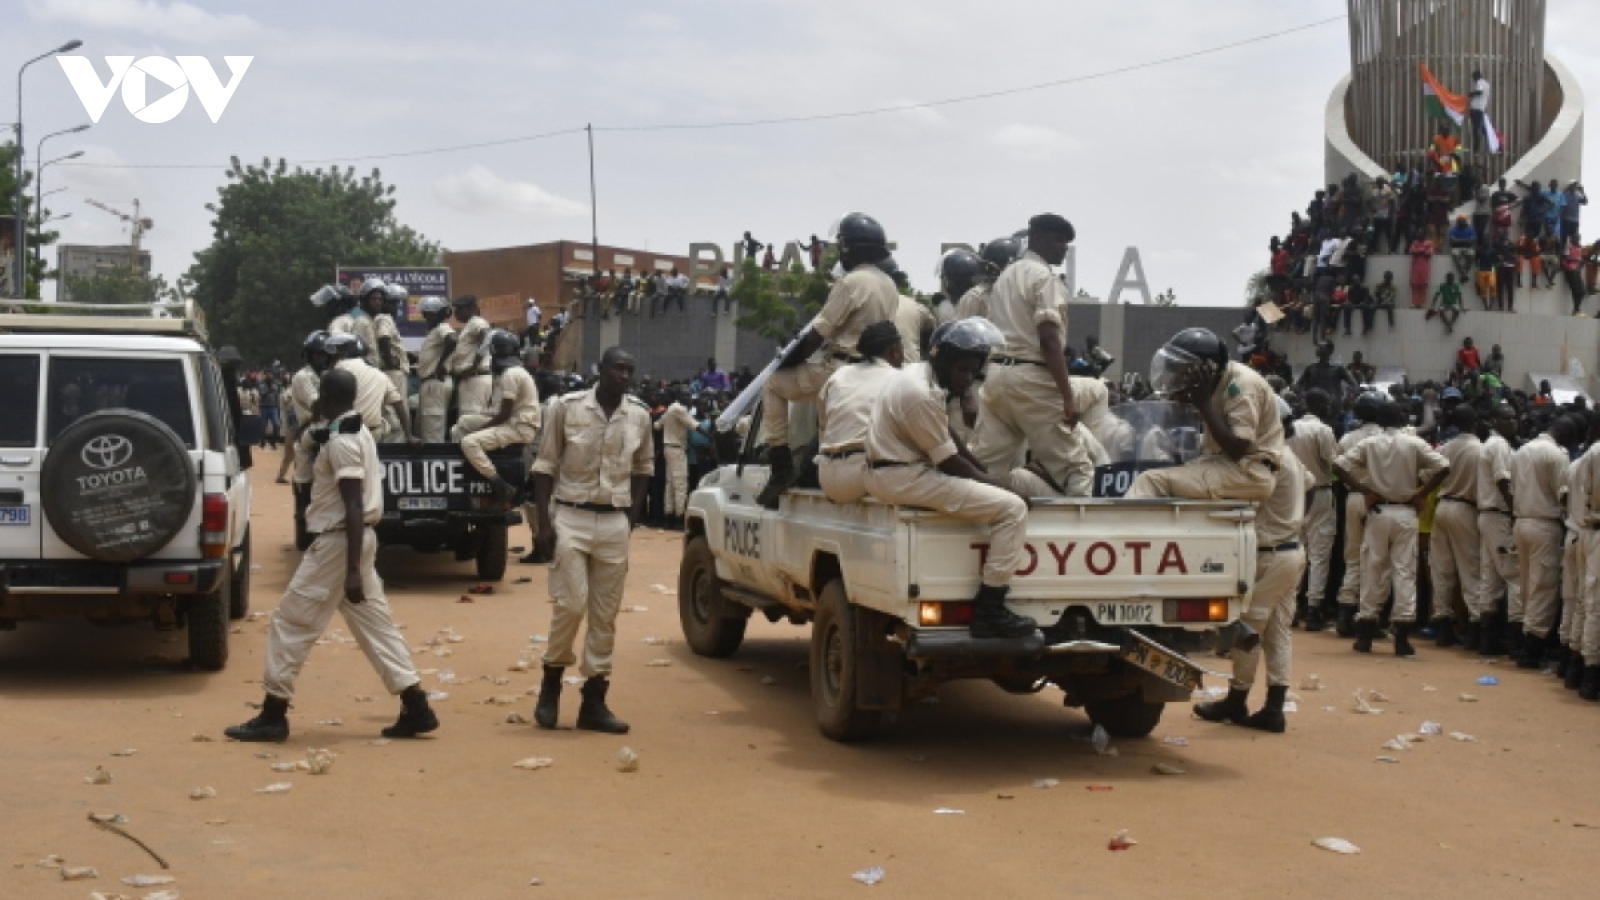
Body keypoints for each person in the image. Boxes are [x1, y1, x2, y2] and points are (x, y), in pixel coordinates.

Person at [223, 368, 438, 742]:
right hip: (355, 542)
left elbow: (352, 505)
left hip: (340, 545)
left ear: (326, 398)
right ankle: (415, 703)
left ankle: (274, 713)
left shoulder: (342, 443)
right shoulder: (357, 433)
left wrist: (352, 570)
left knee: (290, 623)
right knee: (376, 626)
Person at [863, 319, 1036, 639]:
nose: (968, 378)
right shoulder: (921, 394)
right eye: (963, 370)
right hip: (902, 475)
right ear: (944, 362)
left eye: (973, 371)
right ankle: (990, 610)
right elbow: (950, 463)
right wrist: (1002, 486)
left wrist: (985, 475)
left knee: (998, 495)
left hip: (897, 471)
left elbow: (948, 440)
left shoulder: (920, 376)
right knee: (1012, 510)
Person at [529, 347, 653, 734]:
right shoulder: (566, 408)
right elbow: (545, 465)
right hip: (570, 517)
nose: (624, 375)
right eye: (618, 368)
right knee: (570, 604)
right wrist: (544, 525)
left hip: (614, 521)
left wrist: (630, 518)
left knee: (606, 614)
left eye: (629, 369)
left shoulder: (640, 415)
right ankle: (550, 685)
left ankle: (594, 700)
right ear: (600, 370)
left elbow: (643, 469)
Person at [756, 213, 899, 509]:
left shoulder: (851, 282)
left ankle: (780, 466)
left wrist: (786, 361)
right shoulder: (888, 284)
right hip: (875, 369)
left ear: (850, 248)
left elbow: (817, 335)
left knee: (773, 385)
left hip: (840, 367)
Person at [969, 214, 1095, 497]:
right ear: (1037, 238)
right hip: (1031, 377)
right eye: (1058, 240)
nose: (1064, 247)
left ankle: (963, 536)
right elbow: (1049, 340)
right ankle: (1077, 535)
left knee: (984, 467)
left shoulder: (1005, 276)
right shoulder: (1044, 278)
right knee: (1077, 468)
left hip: (997, 376)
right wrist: (1067, 396)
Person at [1193, 442, 1307, 733]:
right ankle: (1273, 707)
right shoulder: (1291, 456)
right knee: (1279, 630)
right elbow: (1311, 485)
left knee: (1249, 626)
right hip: (1292, 549)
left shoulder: (1266, 459)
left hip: (1269, 553)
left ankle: (1237, 699)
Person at [1334, 399, 1450, 657]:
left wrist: (1363, 489)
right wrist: (1421, 494)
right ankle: (1402, 636)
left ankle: (1365, 632)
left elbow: (1339, 466)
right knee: (1404, 571)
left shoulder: (1369, 443)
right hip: (1406, 512)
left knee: (1372, 567)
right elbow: (1443, 467)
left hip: (1376, 511)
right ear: (1401, 419)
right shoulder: (1413, 443)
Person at [1126, 328, 1283, 503]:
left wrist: (1203, 405)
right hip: (1226, 466)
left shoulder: (1241, 385)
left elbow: (1238, 448)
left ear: (1206, 369)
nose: (1178, 375)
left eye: (1183, 370)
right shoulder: (1217, 382)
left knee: (1150, 481)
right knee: (1170, 471)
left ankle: (1121, 529)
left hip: (1249, 472)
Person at [1509, 416, 1579, 669]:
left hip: (1521, 521)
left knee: (1527, 584)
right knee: (1544, 587)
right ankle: (1531, 651)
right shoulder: (1556, 456)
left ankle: (1524, 642)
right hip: (1544, 525)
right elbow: (1564, 495)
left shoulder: (1522, 450)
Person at [816, 322, 904, 504]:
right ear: (895, 350)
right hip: (861, 475)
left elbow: (823, 425)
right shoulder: (899, 379)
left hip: (826, 476)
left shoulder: (838, 375)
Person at [451, 329, 541, 502]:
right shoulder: (517, 372)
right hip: (516, 423)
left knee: (469, 442)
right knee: (464, 422)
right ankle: (468, 466)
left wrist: (482, 429)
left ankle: (499, 483)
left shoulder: (510, 375)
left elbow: (504, 414)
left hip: (518, 428)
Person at [1430, 405, 1485, 648]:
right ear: (1475, 422)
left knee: (1442, 569)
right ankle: (1474, 626)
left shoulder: (1447, 447)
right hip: (1466, 508)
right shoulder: (1480, 450)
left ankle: (1442, 623)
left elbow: (1428, 472)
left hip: (1442, 507)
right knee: (1470, 569)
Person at [1333, 392, 1387, 634]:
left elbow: (1337, 469)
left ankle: (1345, 611)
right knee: (1377, 560)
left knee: (1353, 556)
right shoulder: (1388, 438)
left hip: (1354, 498)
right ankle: (1370, 616)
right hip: (1379, 501)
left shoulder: (1347, 437)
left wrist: (1357, 487)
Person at [1288, 389, 1338, 630]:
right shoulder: (1323, 430)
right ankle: (1313, 608)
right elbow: (1332, 462)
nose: (1329, 407)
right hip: (1319, 492)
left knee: (1295, 550)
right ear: (1318, 404)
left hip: (1293, 494)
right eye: (1326, 403)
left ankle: (1292, 606)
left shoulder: (1290, 428)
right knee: (1319, 554)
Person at [1477, 403, 1520, 656]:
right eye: (1506, 418)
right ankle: (1515, 642)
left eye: (1514, 417)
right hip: (1499, 515)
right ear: (1494, 421)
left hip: (1489, 516)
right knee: (1513, 575)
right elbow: (1503, 479)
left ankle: (1487, 641)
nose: (1512, 421)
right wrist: (1515, 511)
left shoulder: (1493, 445)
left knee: (1490, 577)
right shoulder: (1499, 445)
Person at [324, 333, 417, 444]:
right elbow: (398, 404)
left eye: (337, 351)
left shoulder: (339, 368)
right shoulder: (380, 375)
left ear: (344, 352)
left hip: (344, 434)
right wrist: (409, 435)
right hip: (372, 435)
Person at [278, 330, 330, 485]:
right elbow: (316, 405)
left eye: (324, 354)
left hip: (328, 429)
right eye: (317, 354)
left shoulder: (326, 374)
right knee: (306, 482)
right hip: (309, 429)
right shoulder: (303, 376)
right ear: (309, 355)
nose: (321, 358)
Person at [654, 389, 698, 529]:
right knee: (680, 484)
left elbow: (657, 426)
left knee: (670, 484)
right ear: (679, 396)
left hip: (668, 448)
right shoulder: (679, 409)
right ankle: (679, 517)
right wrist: (710, 435)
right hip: (677, 448)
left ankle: (669, 516)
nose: (689, 398)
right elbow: (695, 425)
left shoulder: (670, 409)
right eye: (686, 395)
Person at [414, 297, 456, 443]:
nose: (426, 318)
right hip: (431, 383)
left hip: (435, 382)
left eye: (429, 314)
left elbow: (452, 339)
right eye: (425, 314)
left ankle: (436, 463)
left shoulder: (442, 327)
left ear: (439, 314)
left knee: (433, 433)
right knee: (425, 429)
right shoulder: (433, 332)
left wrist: (440, 365)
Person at [448, 295, 494, 417]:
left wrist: (474, 365)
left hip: (475, 378)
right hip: (470, 379)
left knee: (471, 421)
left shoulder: (477, 322)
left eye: (459, 309)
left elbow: (487, 338)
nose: (455, 313)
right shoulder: (469, 325)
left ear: (470, 308)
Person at [892, 289, 936, 364]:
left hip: (883, 366)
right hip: (913, 362)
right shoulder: (915, 305)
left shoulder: (880, 303)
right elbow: (933, 328)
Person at [353, 277, 385, 369]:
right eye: (373, 299)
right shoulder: (361, 322)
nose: (377, 302)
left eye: (380, 299)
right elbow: (357, 353)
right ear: (364, 301)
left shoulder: (373, 322)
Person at [1409, 231, 1435, 307]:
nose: (1419, 236)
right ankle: (1415, 303)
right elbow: (1412, 251)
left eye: (1421, 234)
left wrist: (1419, 251)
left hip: (1425, 267)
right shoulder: (1415, 242)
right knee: (1415, 285)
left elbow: (1430, 253)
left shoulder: (1429, 243)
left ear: (1424, 235)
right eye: (1418, 235)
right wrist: (1422, 250)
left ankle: (1421, 303)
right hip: (1415, 267)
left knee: (1423, 285)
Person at [1468, 69, 1491, 151]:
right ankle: (1491, 141)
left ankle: (1476, 146)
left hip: (1476, 109)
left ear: (1476, 77)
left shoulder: (1480, 82)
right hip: (1481, 108)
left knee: (1475, 128)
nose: (1473, 80)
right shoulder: (1487, 84)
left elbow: (1479, 92)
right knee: (1481, 127)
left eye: (1473, 78)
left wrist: (1471, 94)